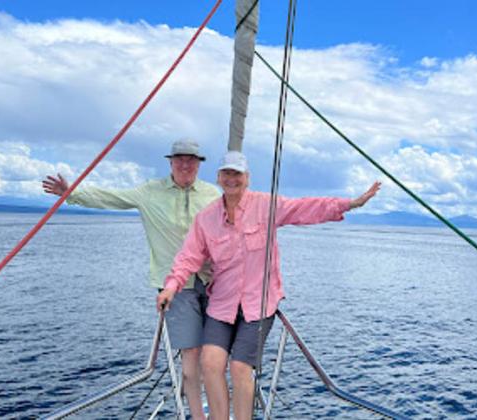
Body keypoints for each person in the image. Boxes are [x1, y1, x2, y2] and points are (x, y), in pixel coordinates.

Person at [156, 151, 381, 420]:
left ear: (247, 178)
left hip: (257, 306)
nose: (232, 179)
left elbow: (304, 208)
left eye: (237, 174)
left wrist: (349, 204)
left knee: (240, 368)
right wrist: (170, 287)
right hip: (222, 304)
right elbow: (187, 258)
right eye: (226, 173)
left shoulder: (265, 205)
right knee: (210, 362)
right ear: (218, 177)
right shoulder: (205, 219)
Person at [42, 139, 220, 420]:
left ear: (199, 164)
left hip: (214, 282)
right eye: (180, 159)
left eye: (192, 160)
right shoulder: (149, 192)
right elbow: (111, 198)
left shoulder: (213, 194)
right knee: (190, 359)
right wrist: (70, 193)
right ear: (170, 162)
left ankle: (219, 414)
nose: (186, 165)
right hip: (176, 287)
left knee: (214, 357)